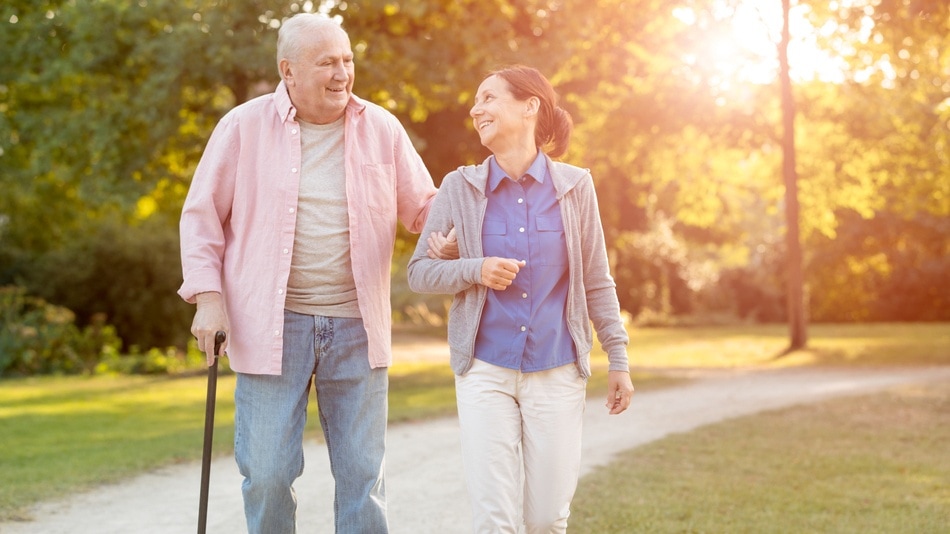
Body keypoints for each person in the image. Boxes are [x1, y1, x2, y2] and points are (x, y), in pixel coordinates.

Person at [178, 13, 440, 534]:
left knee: (363, 479)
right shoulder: (242, 127)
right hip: (271, 325)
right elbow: (200, 216)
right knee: (269, 474)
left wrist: (450, 230)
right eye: (327, 62)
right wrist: (209, 297)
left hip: (357, 326)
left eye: (347, 59)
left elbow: (424, 209)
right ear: (288, 71)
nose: (342, 72)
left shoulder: (382, 128)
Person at [407, 65, 635, 533]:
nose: (476, 109)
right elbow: (420, 272)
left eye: (489, 97)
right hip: (485, 370)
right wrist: (475, 268)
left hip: (556, 368)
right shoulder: (459, 187)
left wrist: (618, 357)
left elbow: (596, 279)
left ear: (530, 105)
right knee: (495, 519)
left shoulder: (575, 187)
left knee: (547, 518)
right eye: (476, 101)